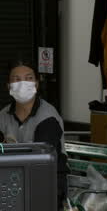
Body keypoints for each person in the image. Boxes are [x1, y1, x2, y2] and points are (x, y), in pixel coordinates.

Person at [0, 59, 69, 209]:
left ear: (36, 84)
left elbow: (42, 164)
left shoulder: (48, 117)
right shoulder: (3, 115)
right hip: (11, 185)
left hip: (45, 187)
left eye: (28, 78)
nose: (22, 83)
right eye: (16, 79)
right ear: (8, 86)